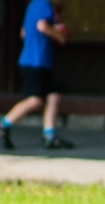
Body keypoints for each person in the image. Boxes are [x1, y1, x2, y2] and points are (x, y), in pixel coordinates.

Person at [0, 0, 75, 150]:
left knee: (53, 96)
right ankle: (4, 124)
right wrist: (58, 35)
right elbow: (42, 26)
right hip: (36, 61)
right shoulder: (43, 4)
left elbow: (23, 33)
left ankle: (49, 135)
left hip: (37, 60)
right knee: (35, 100)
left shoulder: (32, 5)